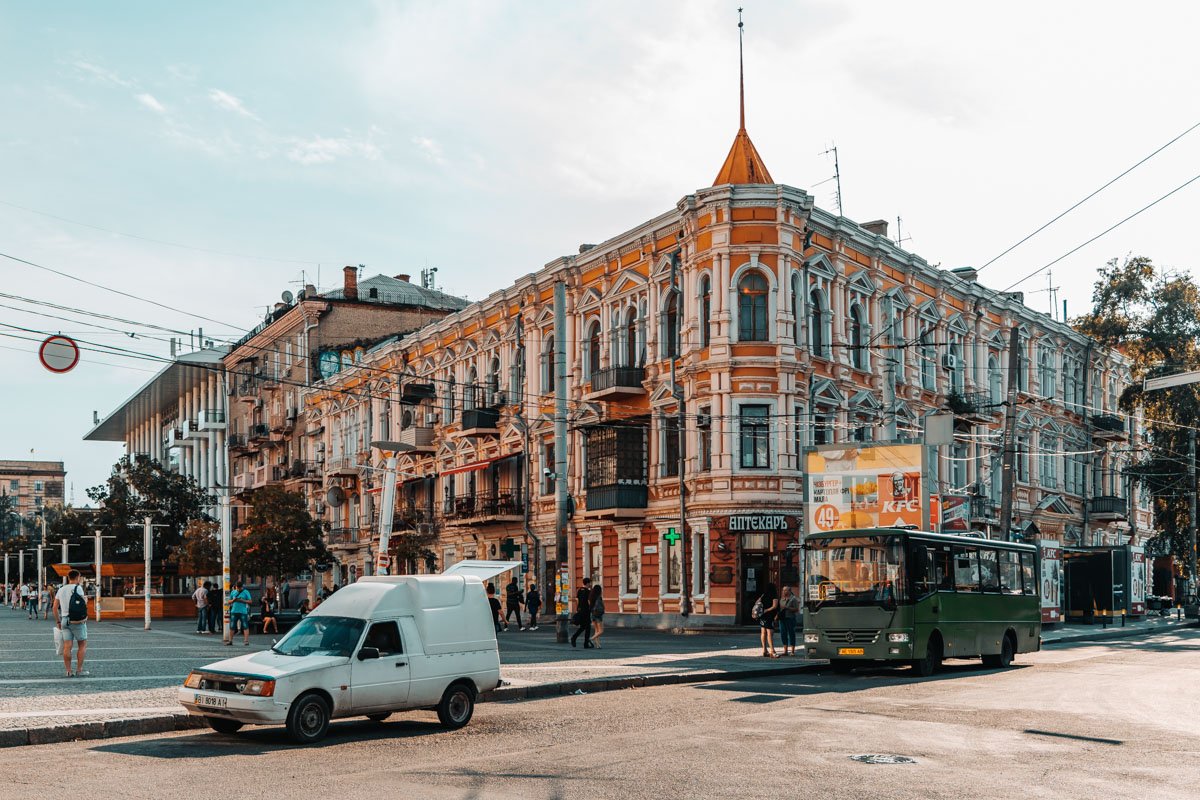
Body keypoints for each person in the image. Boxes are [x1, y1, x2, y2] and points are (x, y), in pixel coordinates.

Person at [53, 569, 89, 677]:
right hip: (77, 620)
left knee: (67, 646)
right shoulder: (78, 588)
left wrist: (58, 621)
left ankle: (68, 671)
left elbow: (54, 608)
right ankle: (79, 670)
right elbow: (83, 604)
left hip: (64, 620)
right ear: (78, 577)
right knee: (82, 644)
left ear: (68, 577)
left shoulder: (61, 589)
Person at [756, 582, 780, 658]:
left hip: (762, 616)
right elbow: (775, 606)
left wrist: (763, 610)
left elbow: (757, 603)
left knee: (763, 632)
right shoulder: (774, 595)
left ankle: (764, 650)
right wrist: (767, 610)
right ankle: (772, 651)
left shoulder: (763, 595)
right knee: (770, 633)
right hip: (769, 616)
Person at [570, 577, 593, 648]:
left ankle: (574, 637)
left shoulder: (579, 590)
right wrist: (591, 608)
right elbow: (589, 601)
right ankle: (585, 643)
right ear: (588, 583)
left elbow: (577, 600)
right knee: (588, 627)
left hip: (580, 610)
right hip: (586, 611)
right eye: (589, 583)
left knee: (583, 627)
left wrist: (578, 609)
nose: (590, 584)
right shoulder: (588, 592)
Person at [228, 580, 252, 646]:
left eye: (239, 588)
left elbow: (250, 601)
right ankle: (230, 640)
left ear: (242, 587)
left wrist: (242, 600)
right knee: (232, 626)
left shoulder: (246, 592)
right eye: (237, 588)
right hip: (234, 611)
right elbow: (229, 601)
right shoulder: (233, 592)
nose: (238, 589)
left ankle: (246, 641)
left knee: (245, 626)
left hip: (243, 611)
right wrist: (233, 600)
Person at [779, 585, 800, 656]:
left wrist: (787, 608)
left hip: (790, 618)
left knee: (791, 634)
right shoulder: (782, 599)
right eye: (783, 590)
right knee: (783, 634)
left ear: (789, 591)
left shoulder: (793, 599)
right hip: (782, 619)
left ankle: (792, 651)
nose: (784, 591)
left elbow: (796, 609)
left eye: (785, 590)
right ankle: (785, 651)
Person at [590, 582, 606, 649]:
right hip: (598, 615)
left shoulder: (591, 597)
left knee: (596, 630)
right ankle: (591, 639)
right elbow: (600, 607)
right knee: (601, 631)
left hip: (593, 614)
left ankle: (598, 645)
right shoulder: (599, 598)